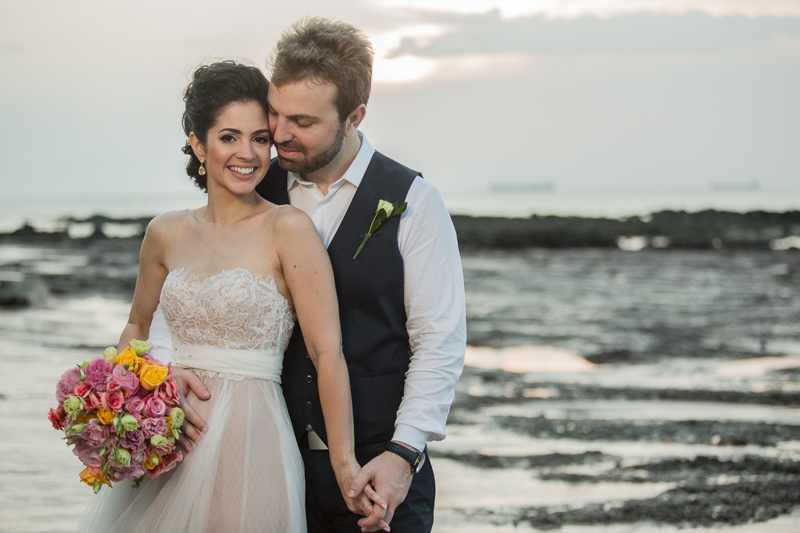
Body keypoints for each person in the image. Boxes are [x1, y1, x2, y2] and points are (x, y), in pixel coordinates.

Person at [152, 17, 466, 532]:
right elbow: (186, 283)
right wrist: (165, 367)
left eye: (303, 121)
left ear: (354, 117)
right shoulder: (252, 183)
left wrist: (403, 454)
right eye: (275, 113)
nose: (278, 134)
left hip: (372, 471)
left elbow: (439, 341)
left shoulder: (412, 202)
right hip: (270, 464)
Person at [75, 61, 378, 533]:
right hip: (172, 436)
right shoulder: (165, 232)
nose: (249, 154)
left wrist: (345, 466)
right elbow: (137, 326)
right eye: (230, 137)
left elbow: (326, 352)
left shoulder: (288, 229)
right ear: (199, 144)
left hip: (251, 438)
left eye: (260, 138)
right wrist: (146, 386)